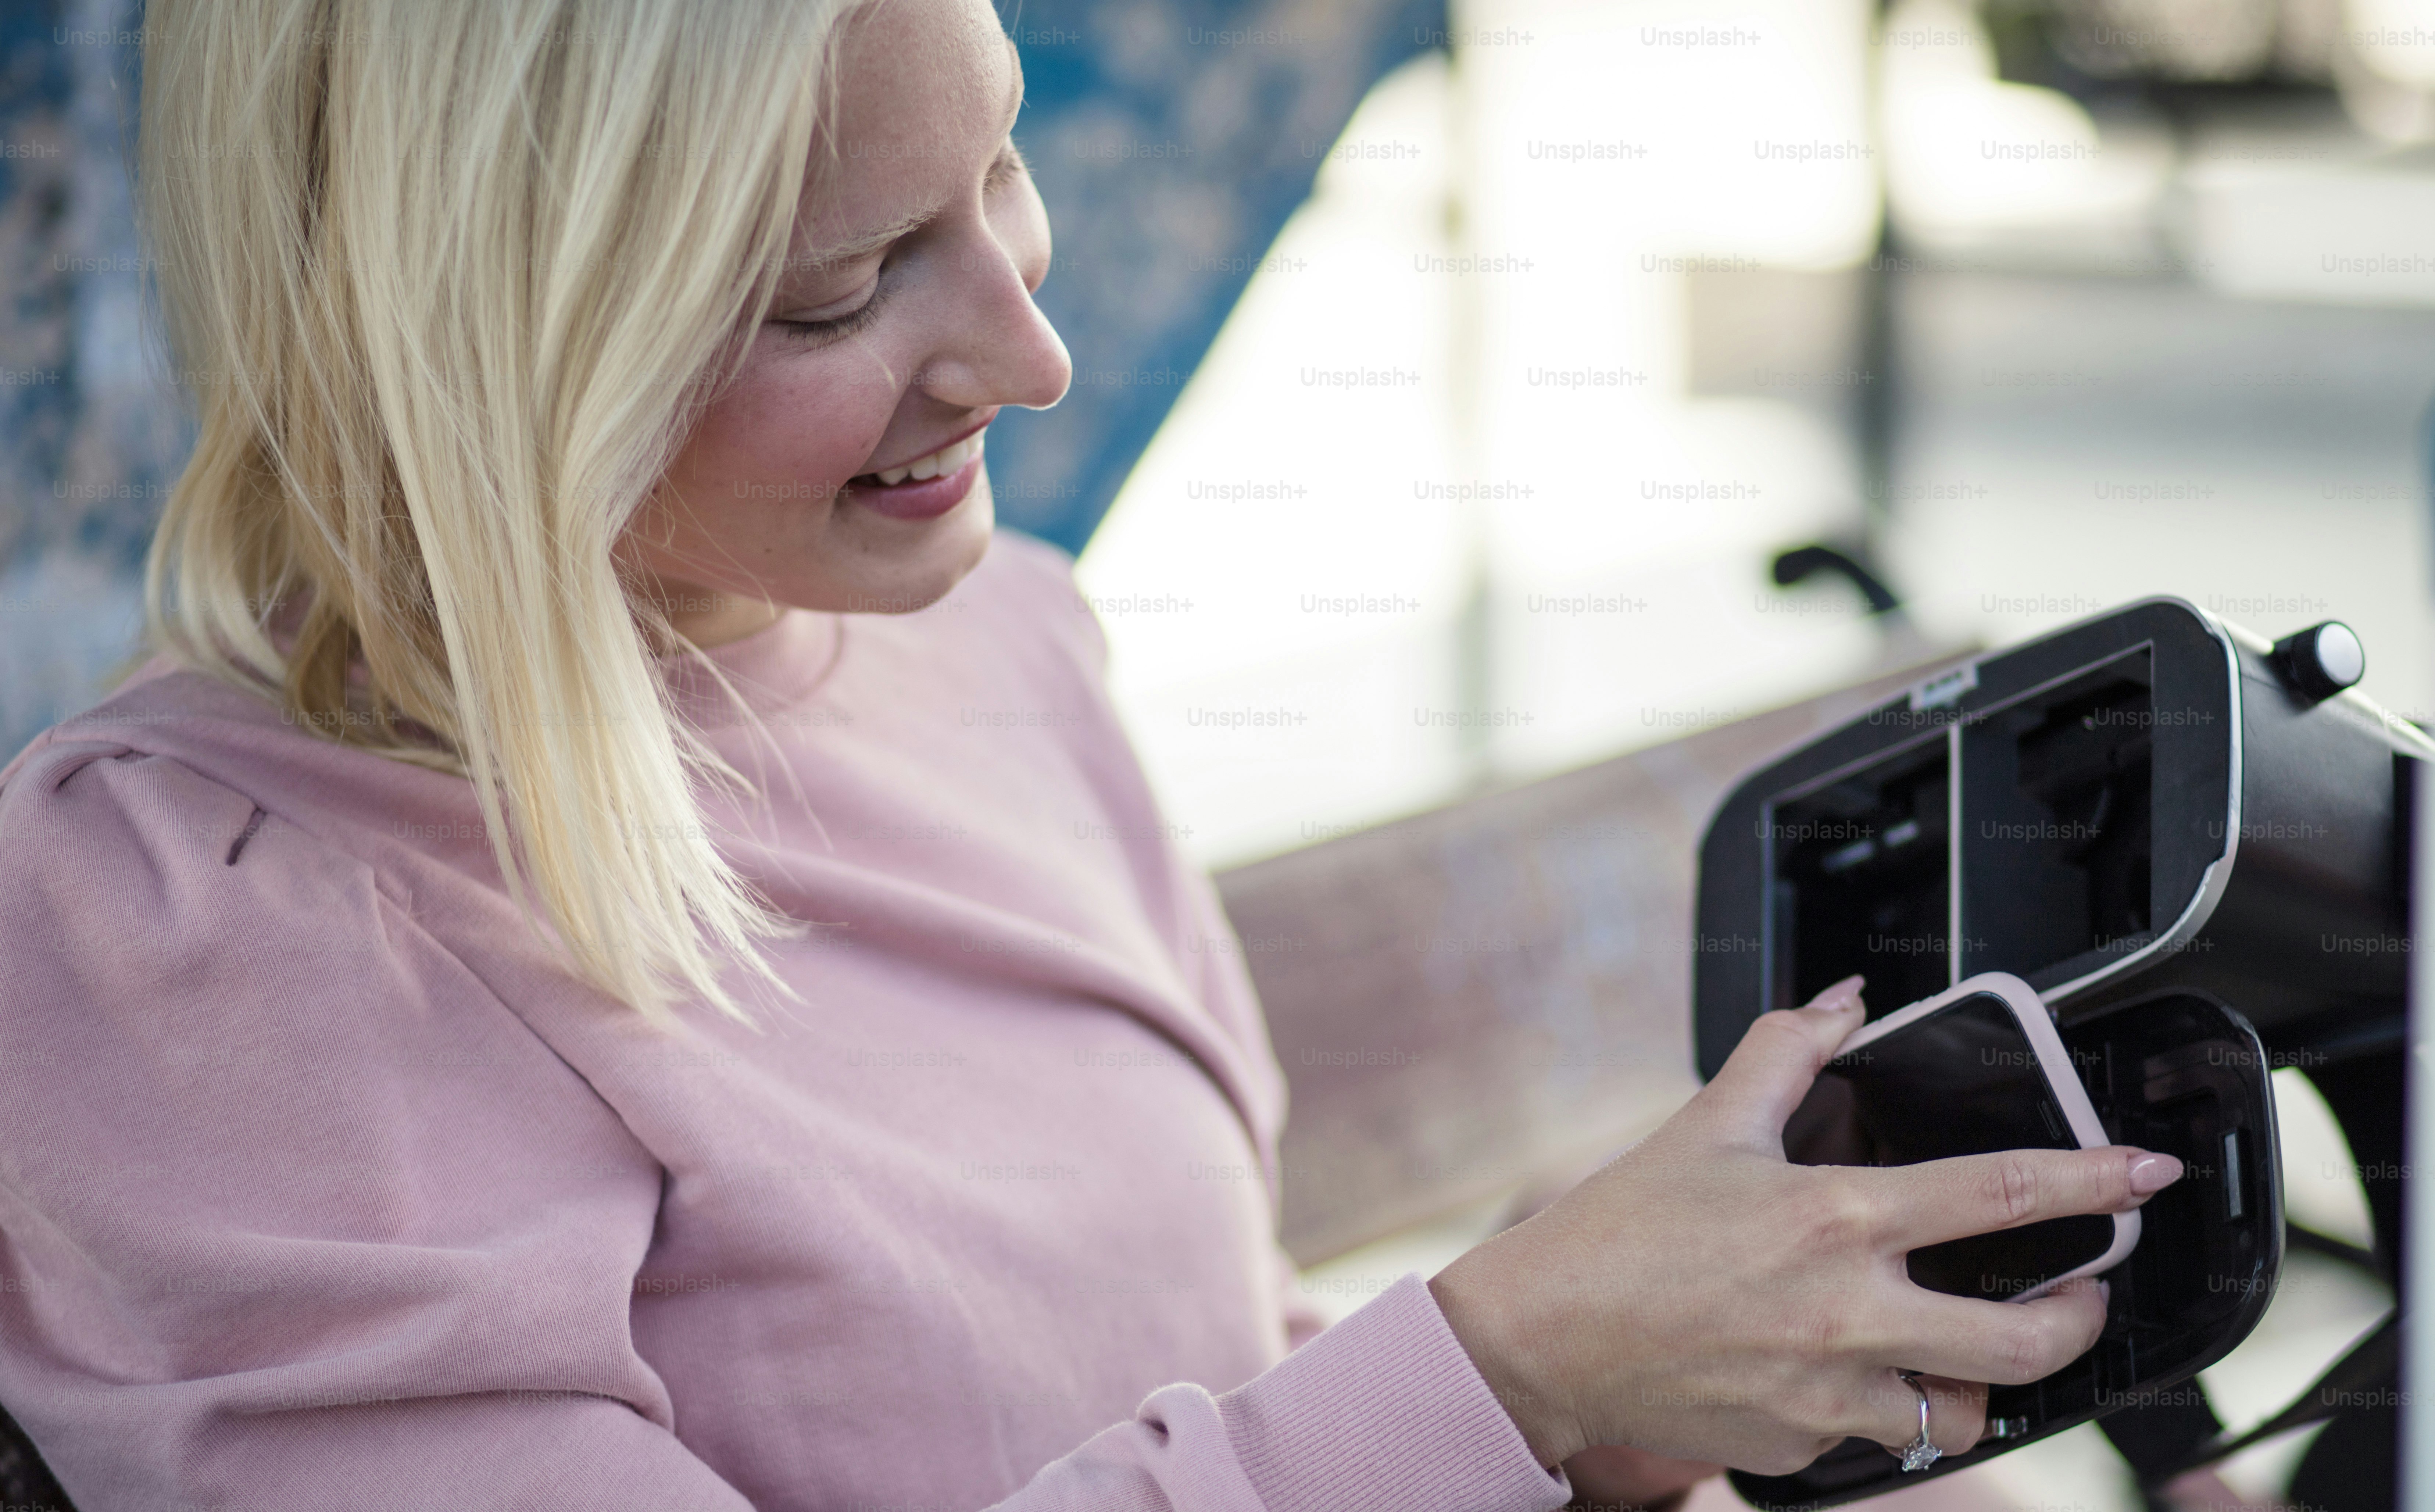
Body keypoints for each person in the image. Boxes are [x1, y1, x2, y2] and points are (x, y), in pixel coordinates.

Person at [0, 0, 2184, 1507]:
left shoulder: (997, 645)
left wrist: (1582, 1399)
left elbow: (1171, 1387)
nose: (1027, 351)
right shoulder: (201, 929)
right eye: (840, 286)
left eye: (1005, 160)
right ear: (480, 338)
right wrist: (1493, 1369)